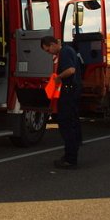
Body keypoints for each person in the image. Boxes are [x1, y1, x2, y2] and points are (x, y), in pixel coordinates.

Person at [41, 35, 82, 169]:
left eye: (48, 50)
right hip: (73, 91)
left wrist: (58, 77)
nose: (49, 53)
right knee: (72, 123)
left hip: (68, 92)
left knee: (66, 125)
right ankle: (71, 154)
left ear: (53, 44)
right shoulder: (68, 50)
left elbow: (70, 70)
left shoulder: (64, 52)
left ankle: (70, 159)